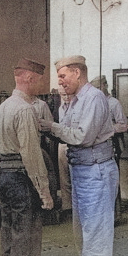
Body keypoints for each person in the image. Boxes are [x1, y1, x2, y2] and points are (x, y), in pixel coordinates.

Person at [40, 55, 118, 256]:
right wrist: (63, 106)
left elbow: (81, 136)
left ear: (77, 73)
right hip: (81, 169)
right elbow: (68, 129)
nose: (60, 82)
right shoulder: (72, 101)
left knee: (96, 232)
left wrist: (51, 126)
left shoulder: (93, 97)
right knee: (83, 230)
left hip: (96, 169)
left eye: (63, 76)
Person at [0, 57, 53, 256]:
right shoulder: (25, 110)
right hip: (22, 181)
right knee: (26, 247)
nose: (42, 83)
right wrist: (45, 193)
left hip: (5, 178)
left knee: (10, 243)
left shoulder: (4, 107)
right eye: (39, 78)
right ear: (29, 77)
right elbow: (31, 155)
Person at [90, 75, 128, 225]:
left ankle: (115, 215)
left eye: (100, 87)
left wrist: (107, 129)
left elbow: (123, 125)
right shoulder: (93, 103)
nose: (98, 91)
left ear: (105, 86)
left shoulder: (114, 103)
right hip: (96, 148)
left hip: (112, 145)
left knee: (111, 181)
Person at [57, 85, 74, 215]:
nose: (66, 98)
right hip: (62, 144)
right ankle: (67, 206)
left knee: (75, 176)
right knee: (64, 177)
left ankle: (76, 207)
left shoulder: (77, 107)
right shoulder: (60, 109)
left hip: (74, 144)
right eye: (63, 95)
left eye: (68, 94)